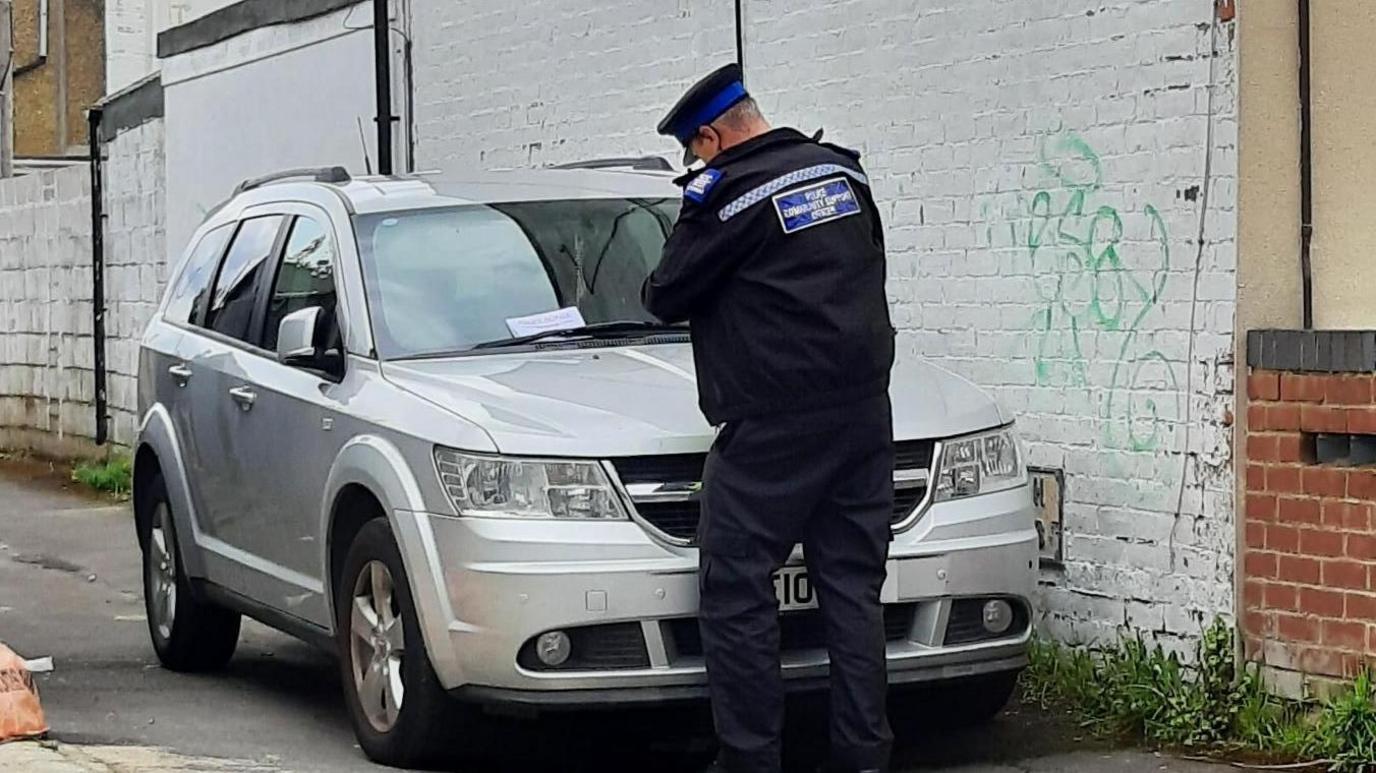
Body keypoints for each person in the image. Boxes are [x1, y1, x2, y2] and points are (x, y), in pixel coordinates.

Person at [642, 63, 897, 773]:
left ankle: (751, 760)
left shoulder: (730, 195)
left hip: (773, 430)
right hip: (864, 414)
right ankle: (864, 756)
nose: (696, 163)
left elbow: (665, 292)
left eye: (694, 152)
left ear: (712, 136)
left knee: (736, 587)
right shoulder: (845, 176)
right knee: (852, 588)